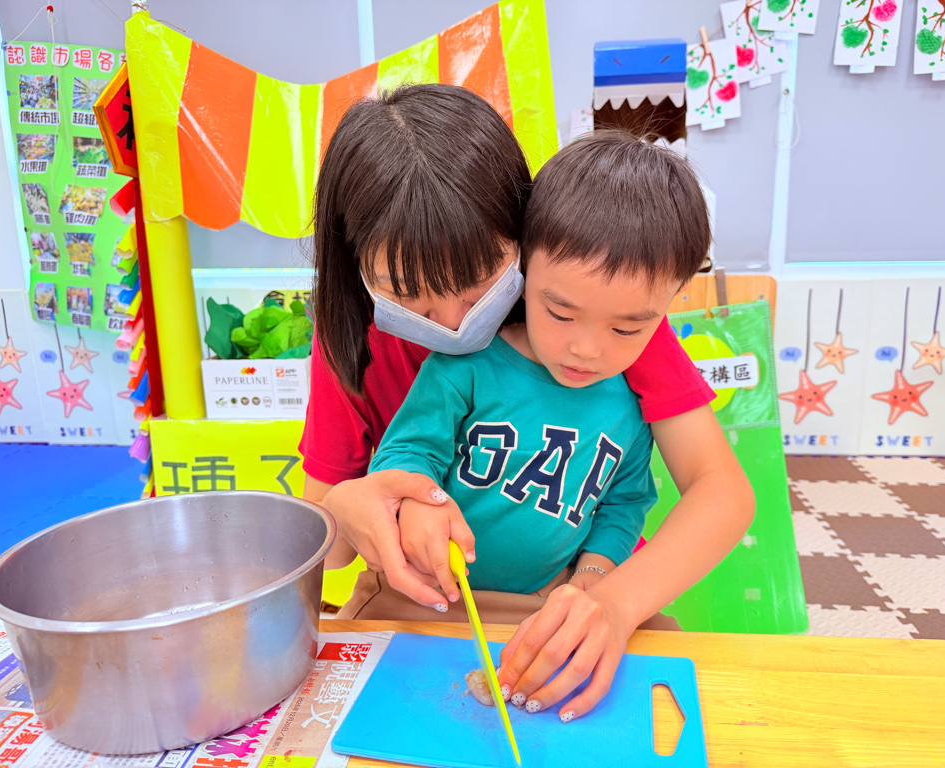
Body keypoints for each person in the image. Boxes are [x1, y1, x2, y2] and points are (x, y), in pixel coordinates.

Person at [302, 83, 753, 718]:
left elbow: (720, 490)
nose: (454, 321)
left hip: (568, 596)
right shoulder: (350, 342)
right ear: (356, 269)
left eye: (477, 280)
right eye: (408, 293)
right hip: (432, 604)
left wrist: (612, 600)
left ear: (526, 234)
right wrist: (345, 508)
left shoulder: (592, 320)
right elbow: (330, 549)